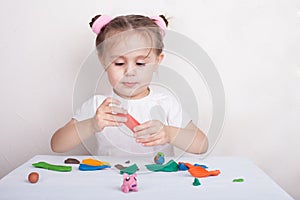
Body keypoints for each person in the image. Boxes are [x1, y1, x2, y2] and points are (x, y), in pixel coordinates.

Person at [51, 14, 208, 156]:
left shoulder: (166, 104)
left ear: (157, 62)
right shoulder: (99, 106)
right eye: (119, 63)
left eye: (140, 63)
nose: (130, 72)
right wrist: (91, 124)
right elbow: (57, 145)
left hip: (159, 184)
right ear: (103, 60)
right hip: (110, 183)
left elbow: (202, 145)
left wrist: (169, 133)